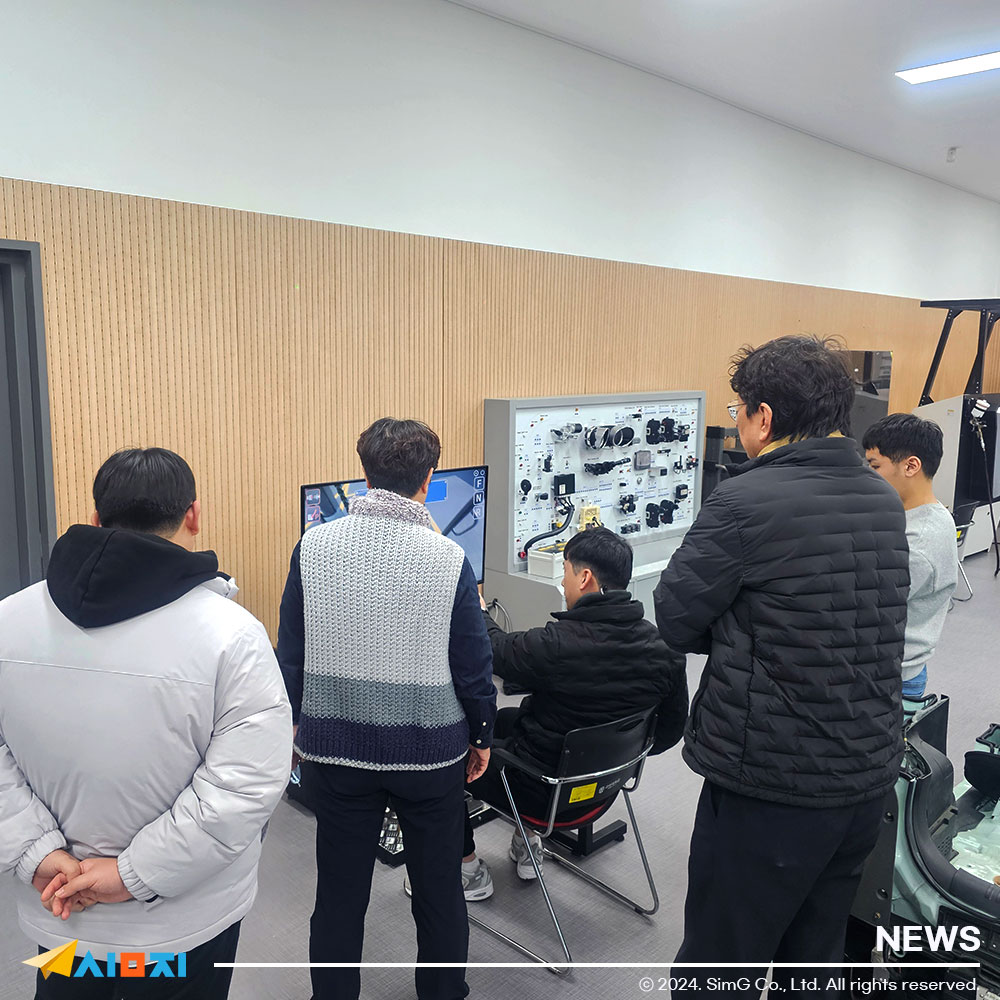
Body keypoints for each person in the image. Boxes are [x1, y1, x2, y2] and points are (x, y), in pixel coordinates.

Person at [653, 336, 909, 992]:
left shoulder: (742, 503)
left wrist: (737, 627)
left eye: (739, 409)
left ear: (763, 417)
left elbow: (676, 620)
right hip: (865, 777)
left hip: (770, 783)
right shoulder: (883, 499)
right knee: (813, 958)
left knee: (721, 962)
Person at [0, 447, 292, 999]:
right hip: (177, 929)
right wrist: (128, 875)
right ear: (193, 515)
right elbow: (243, 787)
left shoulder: (7, 620)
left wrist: (38, 854)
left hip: (59, 909)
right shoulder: (232, 635)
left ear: (94, 518)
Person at [277, 417, 496, 1000]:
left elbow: (290, 655)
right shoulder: (448, 557)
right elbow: (472, 663)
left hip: (337, 754)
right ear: (427, 481)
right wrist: (481, 735)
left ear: (365, 473)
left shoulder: (313, 547)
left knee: (340, 895)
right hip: (430, 756)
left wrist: (294, 729)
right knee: (439, 892)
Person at [427, 526, 687, 896]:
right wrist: (614, 757)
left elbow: (494, 650)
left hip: (544, 797)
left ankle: (467, 870)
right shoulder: (665, 650)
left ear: (585, 577)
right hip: (602, 793)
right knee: (505, 720)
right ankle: (527, 845)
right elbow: (668, 734)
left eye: (564, 572)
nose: (563, 585)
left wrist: (475, 606)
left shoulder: (559, 646)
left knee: (446, 752)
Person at [863, 413, 958, 700]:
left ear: (911, 466)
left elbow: (868, 606)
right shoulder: (908, 514)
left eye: (874, 466)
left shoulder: (920, 541)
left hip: (892, 677)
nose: (868, 475)